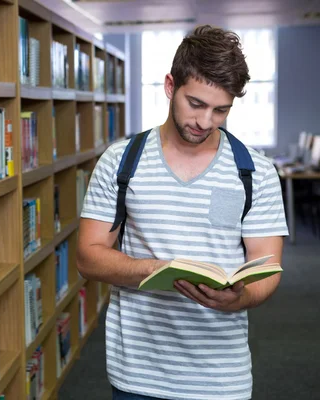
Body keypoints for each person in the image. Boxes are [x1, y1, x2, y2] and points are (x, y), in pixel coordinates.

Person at [77, 25, 288, 400]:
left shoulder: (255, 171)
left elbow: (266, 267)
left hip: (222, 379)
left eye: (220, 110)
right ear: (171, 86)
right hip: (137, 376)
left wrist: (240, 298)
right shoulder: (120, 162)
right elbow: (88, 257)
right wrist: (153, 269)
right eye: (196, 104)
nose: (205, 122)